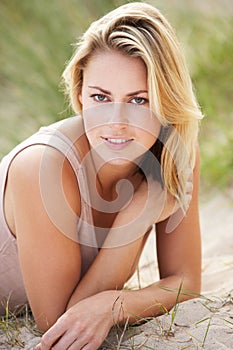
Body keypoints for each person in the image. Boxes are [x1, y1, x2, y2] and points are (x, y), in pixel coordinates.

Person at [0, 2, 203, 349]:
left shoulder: (174, 152)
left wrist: (114, 305)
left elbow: (184, 280)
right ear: (80, 95)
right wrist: (136, 218)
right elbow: (61, 323)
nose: (116, 122)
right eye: (100, 97)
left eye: (139, 100)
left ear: (166, 101)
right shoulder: (41, 168)